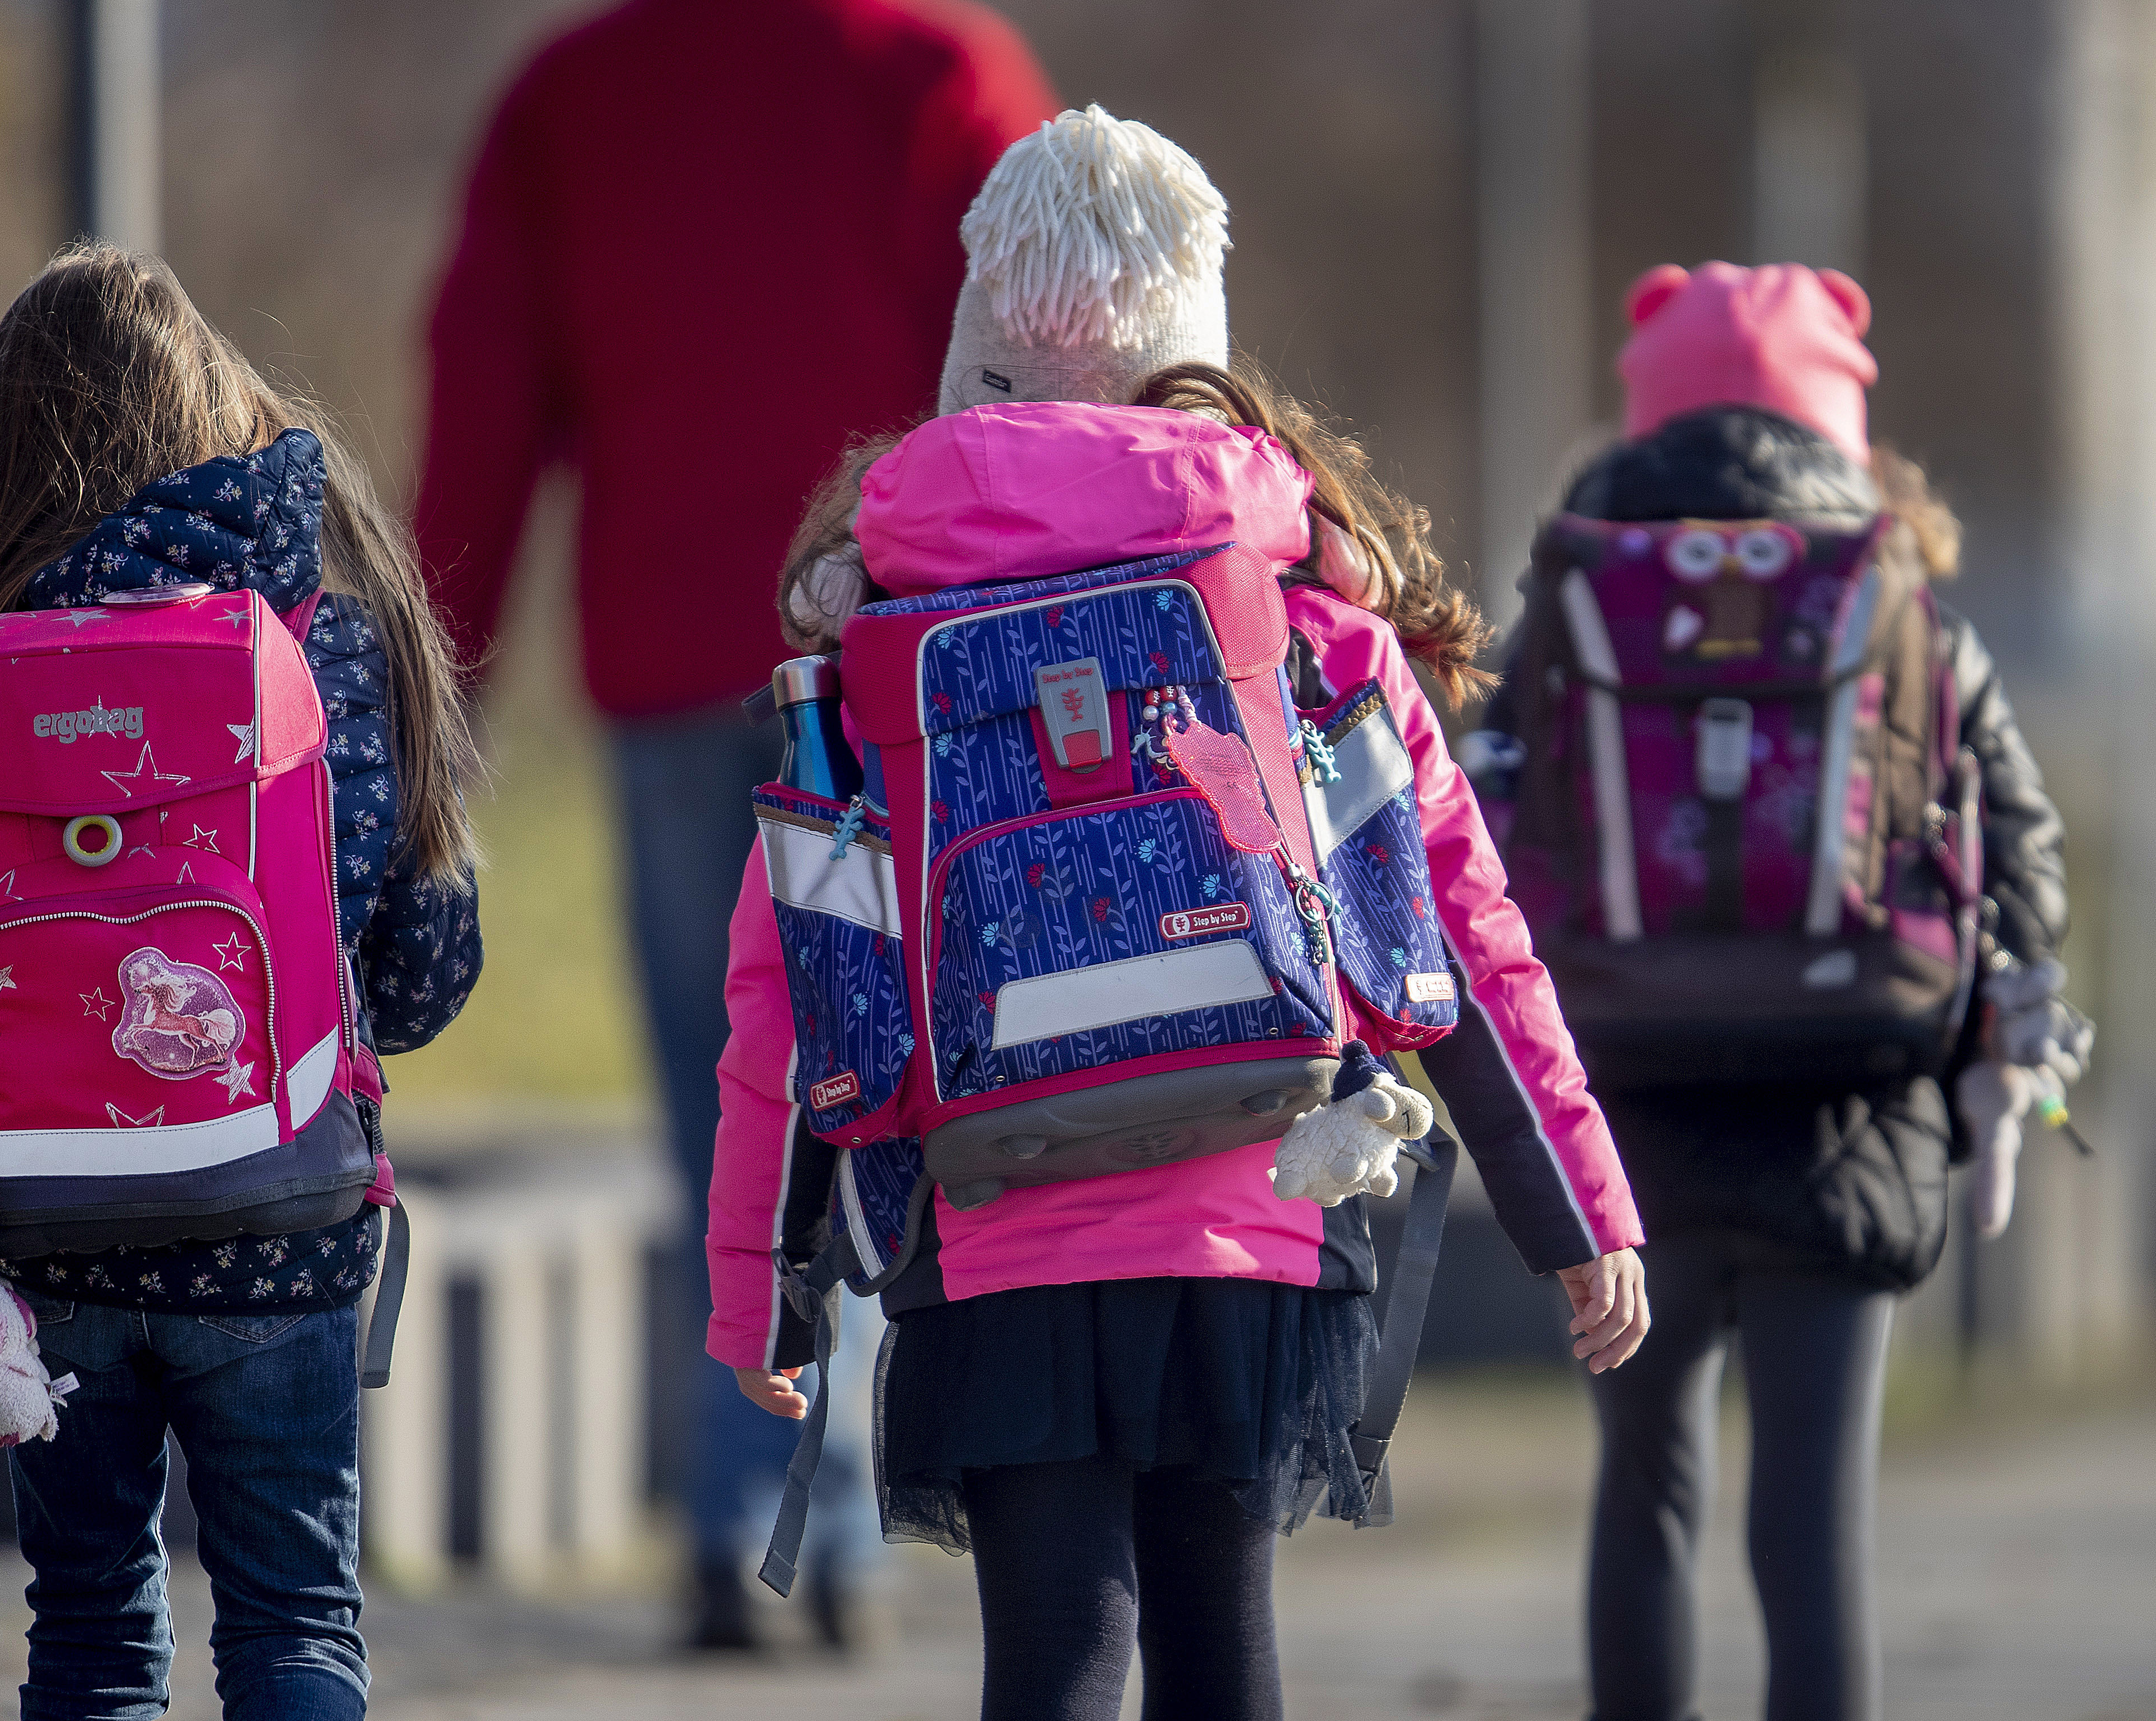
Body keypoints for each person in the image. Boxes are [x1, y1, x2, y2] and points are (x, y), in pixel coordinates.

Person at [710, 108, 1650, 1721]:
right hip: (1246, 1208)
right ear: (1192, 357)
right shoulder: (1299, 631)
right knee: (1223, 1655)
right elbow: (1464, 941)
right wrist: (1576, 1209)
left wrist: (766, 1283)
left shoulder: (872, 649)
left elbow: (787, 993)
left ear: (975, 359)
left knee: (1055, 1654)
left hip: (990, 1219)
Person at [411, 0, 1059, 1649]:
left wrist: (437, 679)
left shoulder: (575, 88)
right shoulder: (936, 68)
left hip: (679, 664)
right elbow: (1044, 353)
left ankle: (763, 1506)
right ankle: (827, 1516)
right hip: (910, 661)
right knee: (910, 1076)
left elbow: (486, 388)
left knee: (741, 1090)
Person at [0, 243, 483, 1720]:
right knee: (297, 1623)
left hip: (43, 1246)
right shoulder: (319, 644)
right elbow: (426, 975)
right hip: (282, 1218)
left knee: (95, 1632)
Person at [1477, 261, 2080, 1721]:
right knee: (1816, 1530)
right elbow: (2023, 857)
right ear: (1841, 420)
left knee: (1647, 1489)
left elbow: (1479, 827)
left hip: (1625, 1106)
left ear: (1645, 410)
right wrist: (2015, 1064)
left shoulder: (1576, 590)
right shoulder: (1904, 603)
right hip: (1854, 1100)